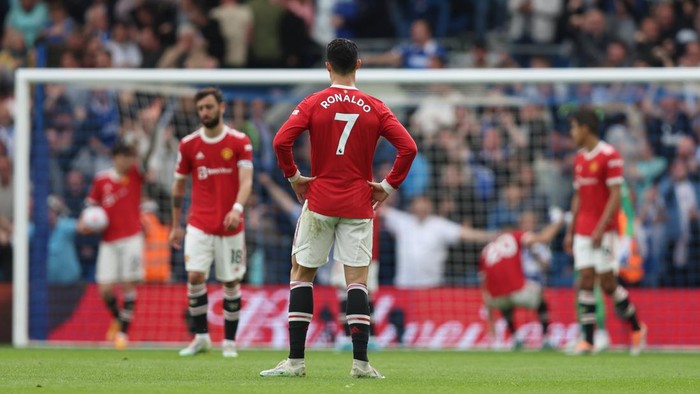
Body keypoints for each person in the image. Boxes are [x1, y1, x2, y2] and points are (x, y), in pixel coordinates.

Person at [260, 38, 417, 378]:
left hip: (320, 200)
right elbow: (408, 148)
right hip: (360, 203)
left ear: (327, 66)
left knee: (302, 274)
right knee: (357, 282)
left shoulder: (315, 102)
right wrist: (388, 186)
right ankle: (361, 363)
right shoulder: (375, 106)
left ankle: (296, 362)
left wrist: (294, 177)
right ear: (358, 64)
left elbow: (280, 141)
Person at [170, 87, 253, 358]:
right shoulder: (189, 144)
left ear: (221, 107)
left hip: (230, 225)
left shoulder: (240, 142)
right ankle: (201, 337)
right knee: (195, 276)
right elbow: (179, 187)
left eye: (208, 107)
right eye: (200, 109)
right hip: (199, 223)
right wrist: (175, 225)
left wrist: (237, 209)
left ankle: (229, 342)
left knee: (230, 283)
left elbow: (246, 181)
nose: (204, 112)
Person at [563, 108, 647, 355]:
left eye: (573, 127)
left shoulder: (610, 156)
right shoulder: (579, 158)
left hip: (605, 231)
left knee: (608, 284)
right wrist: (571, 229)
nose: (571, 133)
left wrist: (601, 227)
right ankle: (588, 340)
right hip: (582, 230)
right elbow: (578, 196)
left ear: (585, 128)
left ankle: (636, 327)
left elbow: (615, 197)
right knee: (585, 280)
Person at [84, 142, 145, 350]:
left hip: (132, 237)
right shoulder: (101, 180)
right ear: (115, 158)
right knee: (105, 289)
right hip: (108, 240)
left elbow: (147, 154)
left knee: (128, 282)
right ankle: (119, 318)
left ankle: (122, 335)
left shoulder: (136, 174)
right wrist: (85, 223)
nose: (127, 161)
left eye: (130, 157)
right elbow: (90, 208)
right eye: (123, 156)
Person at [480, 210, 563, 350]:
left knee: (505, 301)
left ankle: (515, 338)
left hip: (495, 298)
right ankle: (546, 339)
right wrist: (558, 222)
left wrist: (490, 320)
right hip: (519, 292)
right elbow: (545, 238)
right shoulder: (517, 235)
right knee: (540, 296)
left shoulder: (487, 249)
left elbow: (484, 285)